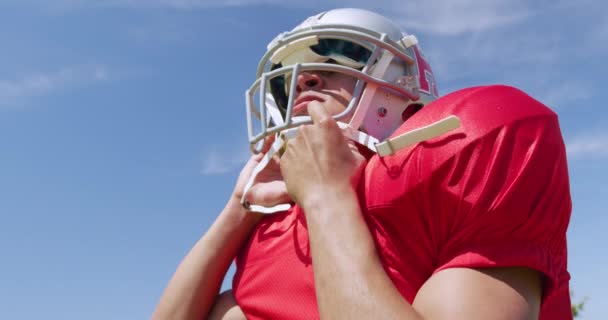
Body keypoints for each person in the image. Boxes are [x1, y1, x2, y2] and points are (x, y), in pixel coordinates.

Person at [152, 8, 572, 320]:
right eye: (285, 79)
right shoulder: (276, 225)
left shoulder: (465, 140)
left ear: (404, 86)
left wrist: (326, 198)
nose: (302, 80)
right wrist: (237, 212)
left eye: (338, 59)